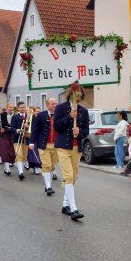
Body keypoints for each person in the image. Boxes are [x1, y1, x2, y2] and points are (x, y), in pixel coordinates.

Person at [54, 82, 89, 221]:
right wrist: (69, 116)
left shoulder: (84, 111)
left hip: (76, 148)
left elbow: (86, 131)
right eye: (77, 92)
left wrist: (79, 131)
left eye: (81, 93)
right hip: (63, 147)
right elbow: (57, 126)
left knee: (73, 177)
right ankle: (74, 209)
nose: (79, 95)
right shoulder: (61, 108)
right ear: (72, 94)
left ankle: (65, 205)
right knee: (68, 176)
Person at [29, 98, 58, 196]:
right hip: (44, 145)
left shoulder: (59, 115)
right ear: (47, 105)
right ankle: (49, 186)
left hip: (56, 145)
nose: (55, 105)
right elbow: (35, 130)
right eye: (53, 104)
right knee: (46, 165)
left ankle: (48, 185)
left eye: (55, 103)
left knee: (53, 166)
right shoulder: (41, 115)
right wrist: (32, 142)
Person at [11, 102, 29, 180]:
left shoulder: (28, 116)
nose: (23, 108)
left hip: (26, 138)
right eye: (21, 107)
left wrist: (28, 126)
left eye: (24, 107)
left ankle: (21, 171)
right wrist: (16, 130)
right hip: (17, 138)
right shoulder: (15, 116)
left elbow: (32, 127)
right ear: (18, 108)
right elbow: (12, 128)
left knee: (24, 156)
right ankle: (20, 172)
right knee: (19, 155)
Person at [0, 103, 16, 175]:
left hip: (12, 135)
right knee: (5, 151)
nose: (11, 109)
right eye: (10, 107)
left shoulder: (15, 115)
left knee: (11, 151)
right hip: (4, 135)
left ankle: (7, 166)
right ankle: (7, 168)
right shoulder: (2, 115)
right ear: (6, 107)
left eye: (12, 107)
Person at [27, 106, 42, 175]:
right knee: (33, 153)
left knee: (39, 153)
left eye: (39, 111)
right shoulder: (31, 118)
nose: (38, 113)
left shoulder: (41, 118)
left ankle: (37, 167)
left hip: (40, 138)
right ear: (34, 112)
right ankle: (35, 167)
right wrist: (27, 126)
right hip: (33, 138)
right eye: (37, 111)